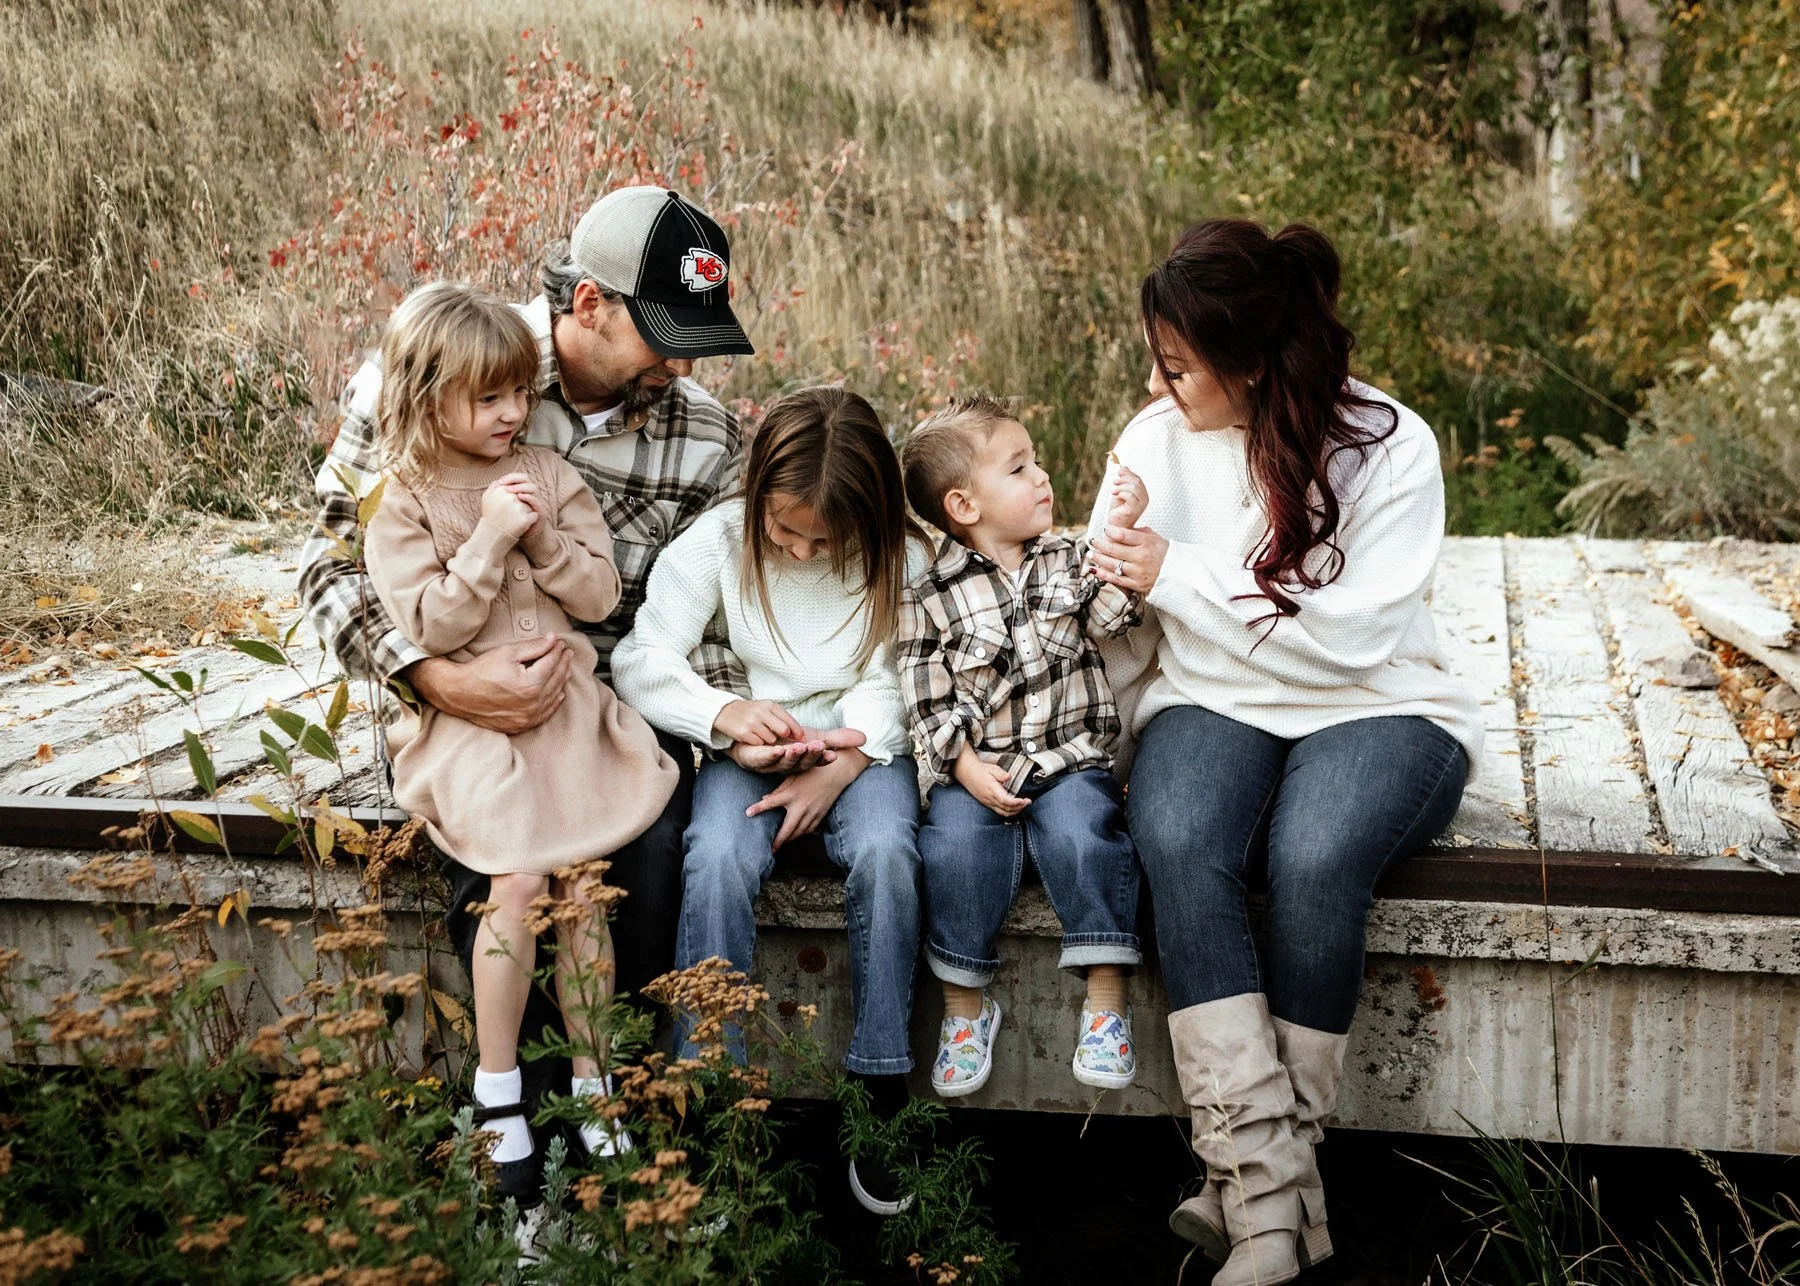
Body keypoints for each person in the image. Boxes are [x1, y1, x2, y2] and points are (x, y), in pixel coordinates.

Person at [297, 185, 756, 1135]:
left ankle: (621, 1128)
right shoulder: (432, 373)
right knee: (501, 873)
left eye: (700, 334)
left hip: (595, 707)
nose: (684, 359)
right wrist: (427, 677)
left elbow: (710, 605)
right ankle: (521, 1154)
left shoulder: (704, 434)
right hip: (458, 703)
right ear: (589, 304)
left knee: (646, 855)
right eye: (665, 332)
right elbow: (328, 558)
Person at [1086, 219, 1481, 1285]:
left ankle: (1258, 1199)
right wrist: (1109, 569)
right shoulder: (1153, 440)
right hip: (1214, 697)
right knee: (1178, 838)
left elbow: (1349, 636)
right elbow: (1113, 622)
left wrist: (1172, 572)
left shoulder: (1391, 444)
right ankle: (1270, 1195)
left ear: (1253, 361)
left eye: (1178, 367)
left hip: (1381, 702)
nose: (1159, 388)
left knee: (1312, 858)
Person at [359, 281, 679, 1200]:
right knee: (520, 880)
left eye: (515, 395)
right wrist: (490, 540)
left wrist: (540, 543)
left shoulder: (550, 474)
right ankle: (498, 1086)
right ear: (425, 400)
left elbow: (599, 597)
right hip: (468, 725)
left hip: (567, 711)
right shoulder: (404, 503)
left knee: (583, 885)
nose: (509, 413)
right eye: (486, 398)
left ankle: (592, 1078)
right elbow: (436, 624)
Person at [612, 385, 925, 1217]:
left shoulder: (901, 557)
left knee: (890, 855)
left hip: (862, 755)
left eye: (823, 540)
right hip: (752, 748)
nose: (796, 551)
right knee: (714, 857)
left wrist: (844, 761)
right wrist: (724, 717)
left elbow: (905, 678)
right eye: (784, 531)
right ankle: (713, 1088)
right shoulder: (719, 539)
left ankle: (879, 1080)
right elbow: (642, 660)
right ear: (756, 502)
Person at [896, 395, 1147, 1099]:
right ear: (964, 506)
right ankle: (966, 1010)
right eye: (1019, 467)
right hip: (977, 768)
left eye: (1035, 461)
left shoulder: (1067, 558)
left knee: (1084, 837)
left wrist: (1120, 530)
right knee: (953, 848)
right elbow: (924, 691)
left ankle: (1104, 1004)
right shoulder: (928, 595)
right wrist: (964, 767)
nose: (1041, 478)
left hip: (1069, 762)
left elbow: (1118, 614)